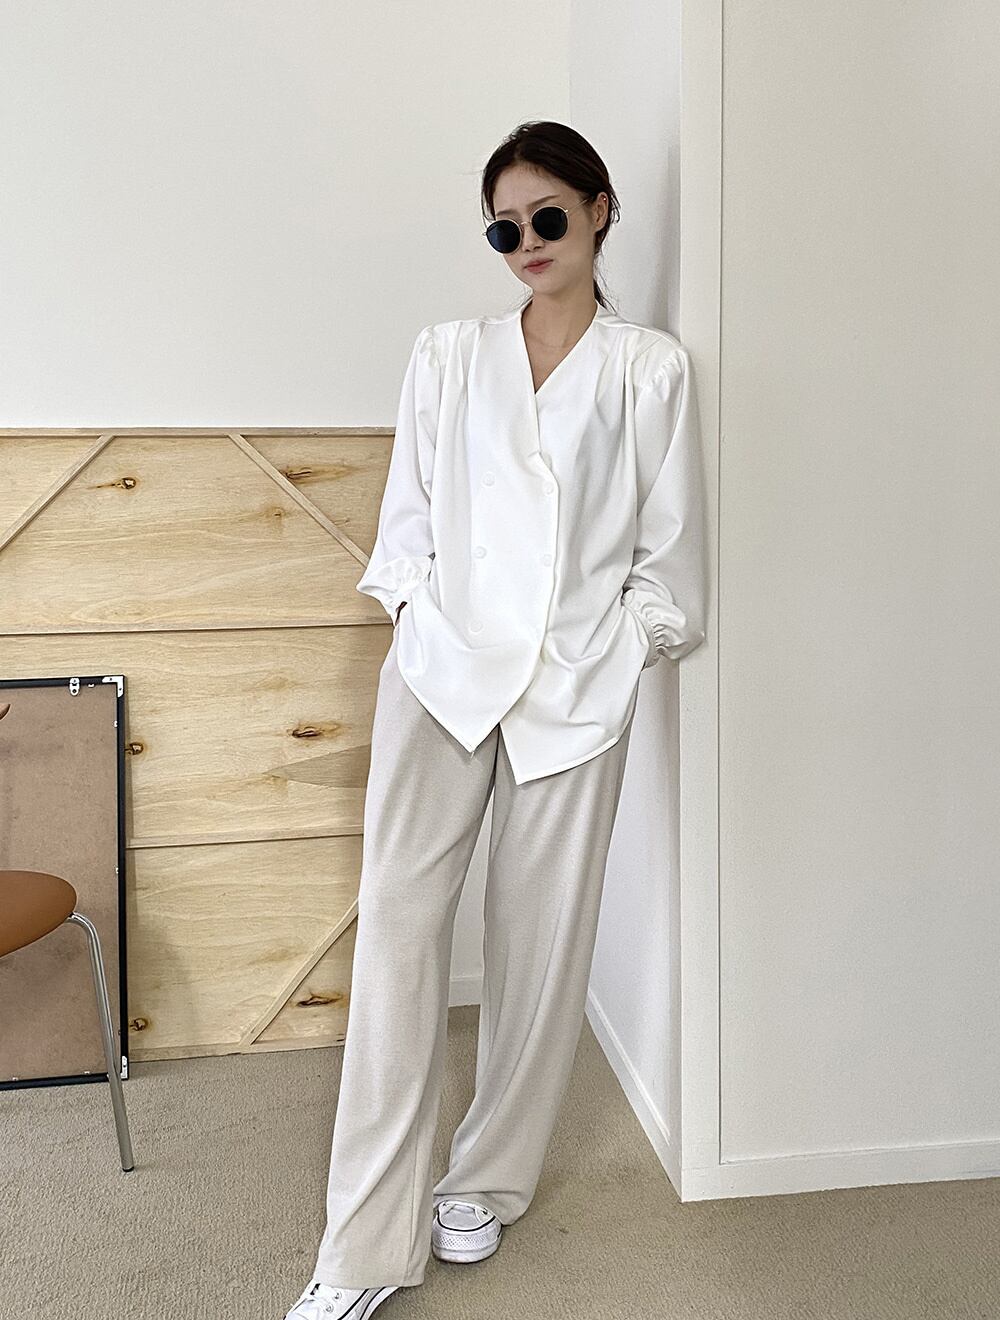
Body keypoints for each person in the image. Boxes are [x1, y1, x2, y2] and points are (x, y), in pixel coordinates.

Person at [284, 119, 707, 1320]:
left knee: (538, 950)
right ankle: (360, 1249)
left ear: (599, 211)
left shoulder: (646, 370)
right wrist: (418, 613)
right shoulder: (448, 355)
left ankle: (486, 1180)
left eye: (547, 217)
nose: (526, 242)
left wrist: (622, 651)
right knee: (399, 935)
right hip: (441, 678)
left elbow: (669, 557)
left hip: (573, 692)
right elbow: (408, 518)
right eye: (503, 228)